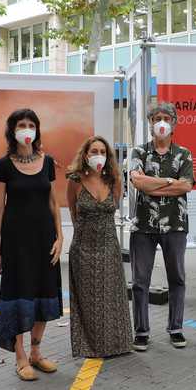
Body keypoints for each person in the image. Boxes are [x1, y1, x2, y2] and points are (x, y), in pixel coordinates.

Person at [0, 109, 63, 381]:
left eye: (31, 124)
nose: (26, 129)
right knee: (19, 296)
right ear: (12, 130)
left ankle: (36, 352)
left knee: (43, 293)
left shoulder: (47, 162)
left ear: (37, 129)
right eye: (21, 125)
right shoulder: (4, 165)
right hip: (16, 242)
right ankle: (20, 356)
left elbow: (53, 202)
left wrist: (60, 236)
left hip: (44, 239)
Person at [129, 102, 195, 351]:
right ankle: (141, 331)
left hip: (175, 225)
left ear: (175, 123)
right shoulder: (139, 152)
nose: (161, 122)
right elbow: (138, 182)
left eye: (166, 118)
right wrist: (170, 181)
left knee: (177, 277)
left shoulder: (184, 154)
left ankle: (176, 328)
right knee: (139, 281)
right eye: (156, 118)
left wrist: (153, 183)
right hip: (143, 225)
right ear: (150, 124)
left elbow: (186, 186)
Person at [66, 136, 133, 358]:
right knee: (87, 299)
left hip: (108, 246)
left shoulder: (114, 180)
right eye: (94, 151)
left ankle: (116, 343)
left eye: (103, 152)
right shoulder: (75, 180)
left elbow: (113, 207)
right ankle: (90, 345)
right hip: (83, 248)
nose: (98, 155)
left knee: (110, 296)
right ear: (85, 155)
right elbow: (73, 213)